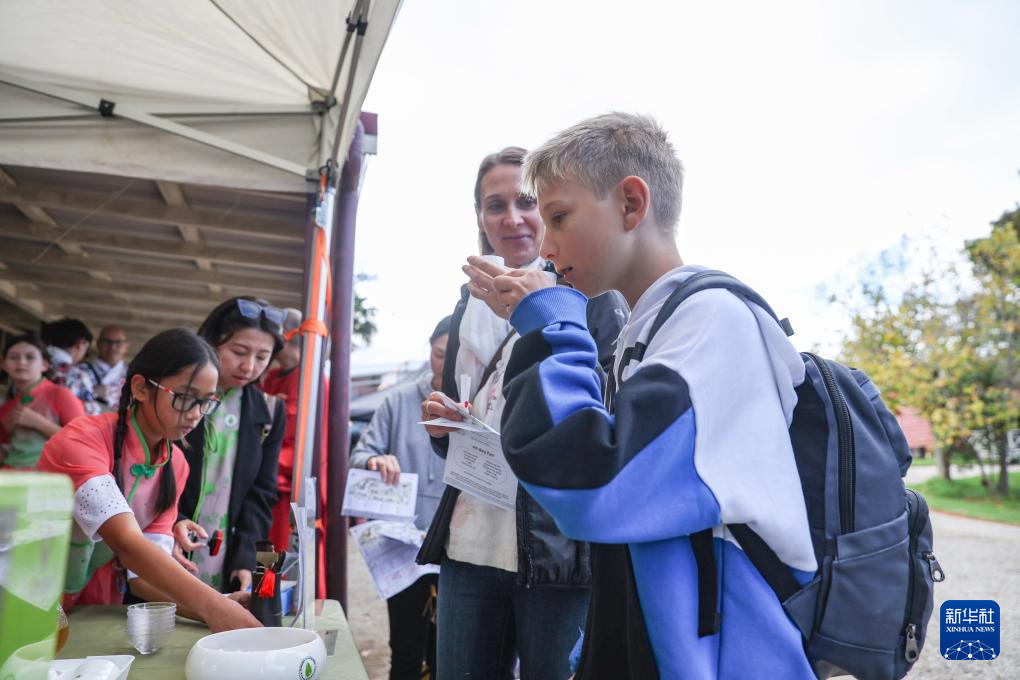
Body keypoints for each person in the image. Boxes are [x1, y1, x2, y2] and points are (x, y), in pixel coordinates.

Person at [462, 113, 817, 679]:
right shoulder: (650, 329)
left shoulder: (712, 322)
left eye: (558, 217)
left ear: (631, 203)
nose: (546, 247)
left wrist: (551, 323)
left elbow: (590, 481)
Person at [418, 147, 628, 680]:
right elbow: (465, 417)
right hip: (469, 539)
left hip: (556, 549)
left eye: (527, 202)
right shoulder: (465, 305)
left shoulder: (592, 292)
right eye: (495, 205)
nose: (512, 218)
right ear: (480, 217)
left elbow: (608, 423)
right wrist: (445, 425)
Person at [37, 328, 260, 631]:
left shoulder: (175, 464)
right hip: (26, 598)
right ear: (141, 388)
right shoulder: (82, 440)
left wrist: (218, 607)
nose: (196, 414)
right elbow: (127, 543)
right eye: (185, 397)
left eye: (206, 402)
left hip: (88, 609)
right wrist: (213, 606)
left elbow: (143, 578)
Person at [350, 315, 451, 680]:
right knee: (405, 649)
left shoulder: (475, 406)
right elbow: (360, 455)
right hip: (402, 549)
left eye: (455, 355)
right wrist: (374, 460)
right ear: (429, 350)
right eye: (440, 354)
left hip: (455, 549)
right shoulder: (398, 401)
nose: (445, 364)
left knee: (446, 653)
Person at [175, 297, 286, 593]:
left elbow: (261, 494)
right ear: (210, 343)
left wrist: (248, 557)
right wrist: (173, 522)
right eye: (239, 352)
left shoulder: (270, 412)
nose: (249, 367)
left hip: (224, 556)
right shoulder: (176, 396)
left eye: (262, 357)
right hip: (167, 543)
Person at [0, 334, 85, 469]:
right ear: (3, 365)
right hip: (10, 473)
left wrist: (38, 422)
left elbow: (83, 442)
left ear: (45, 365)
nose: (21, 362)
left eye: (30, 357)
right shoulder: (7, 407)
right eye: (13, 357)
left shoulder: (61, 395)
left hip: (49, 477)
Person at [40, 318, 99, 413]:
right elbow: (91, 413)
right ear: (81, 343)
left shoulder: (33, 363)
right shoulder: (77, 375)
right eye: (86, 348)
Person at [81, 325, 129, 411]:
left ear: (126, 346)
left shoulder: (133, 373)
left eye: (118, 342)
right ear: (98, 344)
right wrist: (92, 392)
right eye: (107, 342)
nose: (112, 347)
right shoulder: (81, 370)